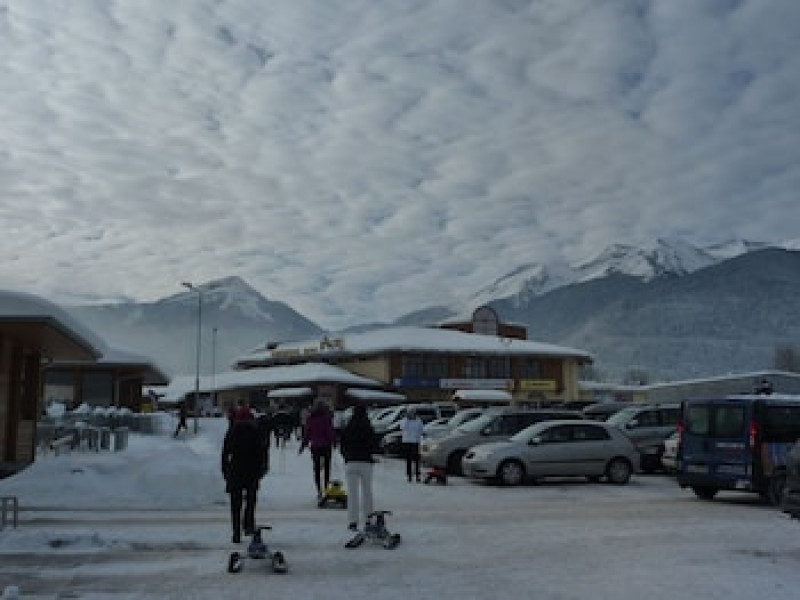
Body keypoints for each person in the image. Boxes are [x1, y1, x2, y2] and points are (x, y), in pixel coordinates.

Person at [221, 410, 266, 543]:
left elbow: (225, 454)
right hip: (252, 471)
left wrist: (226, 472)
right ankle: (248, 524)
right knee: (251, 501)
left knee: (235, 504)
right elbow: (262, 453)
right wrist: (261, 470)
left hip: (235, 471)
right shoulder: (256, 432)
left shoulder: (232, 432)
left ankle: (236, 532)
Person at [339, 403, 377, 532]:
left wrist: (346, 457)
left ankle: (353, 521)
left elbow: (342, 445)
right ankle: (369, 519)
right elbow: (374, 445)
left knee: (352, 494)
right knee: (367, 492)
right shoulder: (368, 428)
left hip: (351, 462)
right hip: (366, 462)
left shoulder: (348, 428)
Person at [299, 400, 336, 499]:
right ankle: (326, 488)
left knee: (316, 469)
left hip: (315, 446)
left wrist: (303, 445)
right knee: (327, 468)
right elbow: (329, 431)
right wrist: (333, 441)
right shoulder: (327, 418)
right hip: (326, 446)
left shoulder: (310, 418)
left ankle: (319, 490)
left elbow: (307, 433)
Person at [400, 408, 425, 482]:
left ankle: (417, 475)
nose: (412, 414)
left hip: (415, 441)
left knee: (416, 459)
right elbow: (402, 427)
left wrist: (419, 436)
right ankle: (409, 475)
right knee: (408, 459)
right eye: (410, 412)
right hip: (407, 441)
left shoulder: (418, 420)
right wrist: (407, 419)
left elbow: (421, 429)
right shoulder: (404, 420)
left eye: (413, 412)